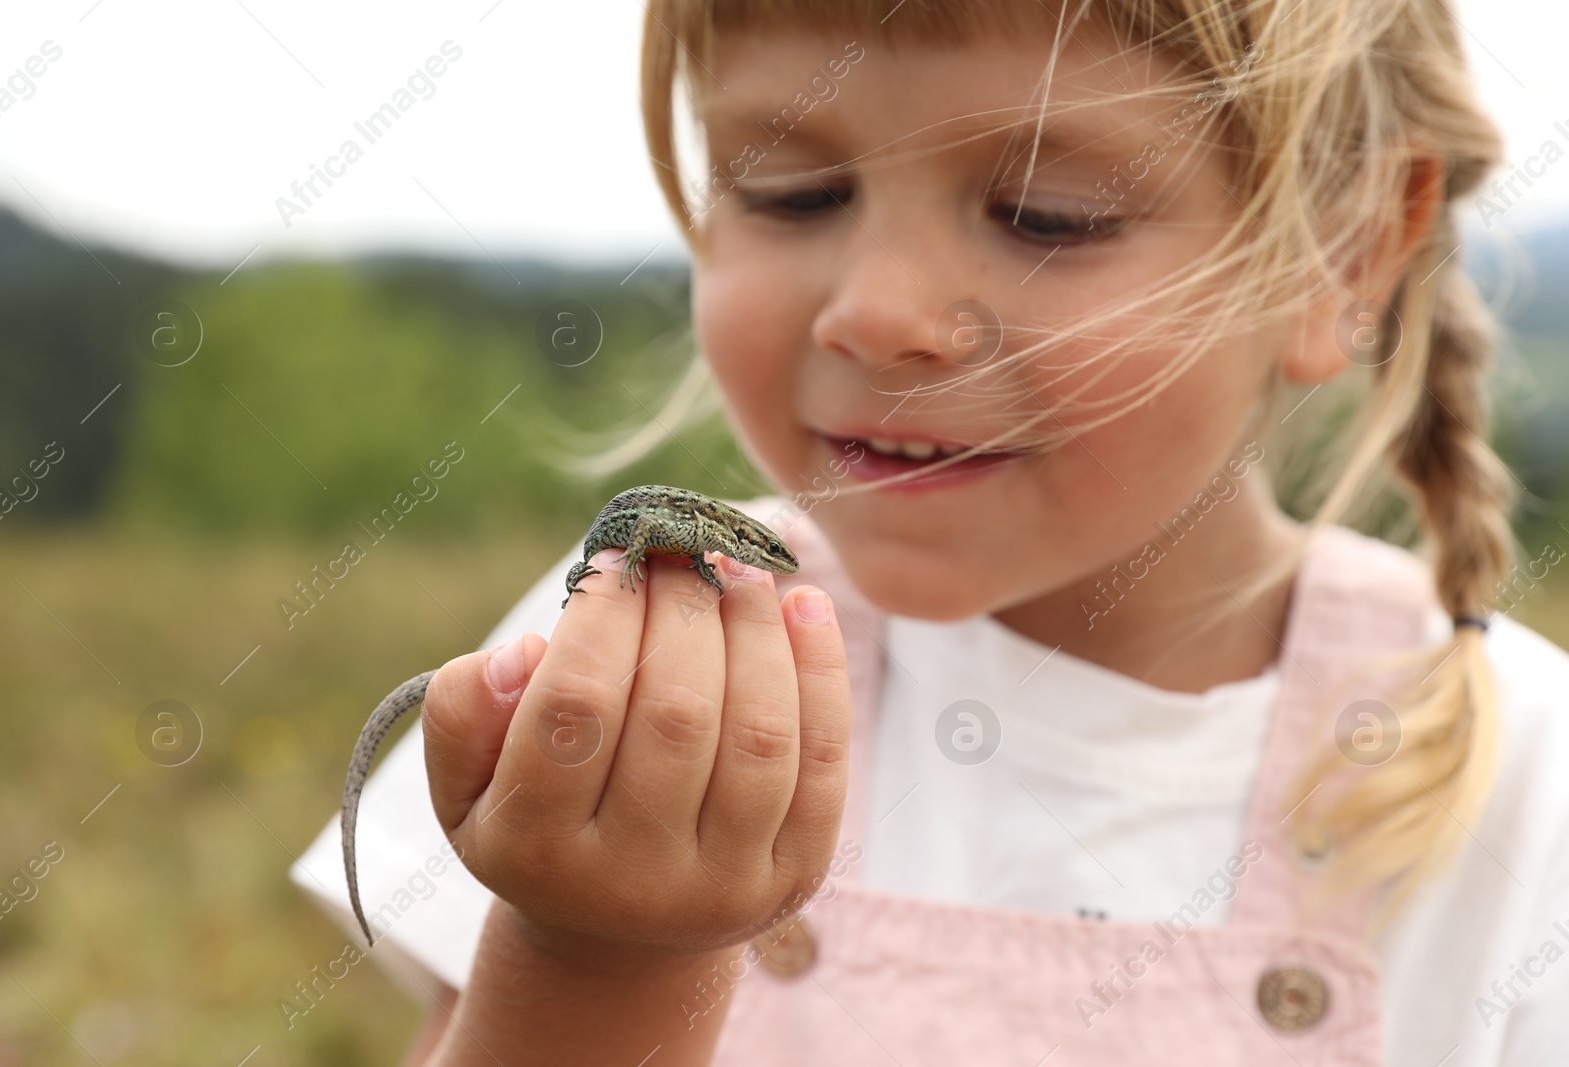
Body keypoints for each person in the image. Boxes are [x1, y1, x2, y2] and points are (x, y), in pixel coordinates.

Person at [290, 1, 1569, 1063]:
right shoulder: (648, 655)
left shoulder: (1525, 778)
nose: (879, 312)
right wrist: (594, 958)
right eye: (790, 192)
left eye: (1047, 217)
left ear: (1339, 257)